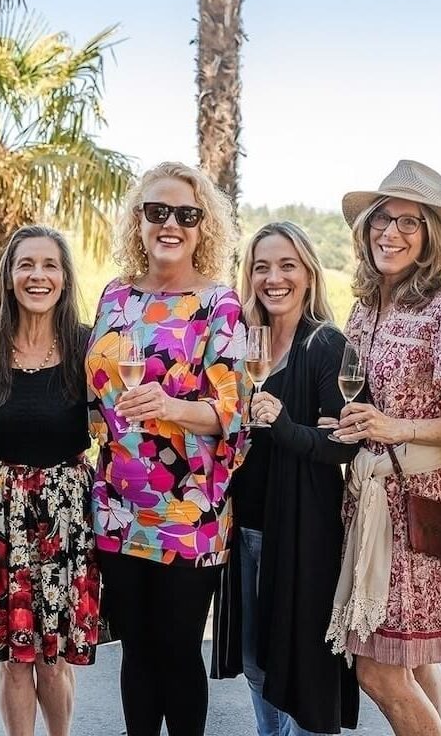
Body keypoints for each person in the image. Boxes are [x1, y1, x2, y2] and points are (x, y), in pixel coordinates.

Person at [85, 161, 249, 736]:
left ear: (203, 228)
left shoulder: (218, 305)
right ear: (139, 220)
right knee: (136, 652)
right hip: (116, 504)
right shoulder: (114, 296)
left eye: (186, 214)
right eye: (157, 211)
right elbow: (92, 391)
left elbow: (231, 411)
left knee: (178, 652)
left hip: (188, 510)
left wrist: (170, 408)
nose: (170, 224)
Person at [326, 159, 441, 736]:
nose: (391, 233)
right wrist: (356, 426)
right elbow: (373, 403)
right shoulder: (365, 307)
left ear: (430, 240)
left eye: (409, 223)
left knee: (379, 670)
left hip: (418, 500)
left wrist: (400, 429)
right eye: (381, 220)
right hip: (368, 494)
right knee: (410, 660)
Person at [211, 221, 361, 735]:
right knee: (256, 662)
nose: (273, 278)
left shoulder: (326, 345)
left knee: (303, 661)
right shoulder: (241, 345)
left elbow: (345, 441)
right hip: (246, 526)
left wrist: (285, 426)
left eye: (286, 265)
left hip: (304, 530)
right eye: (261, 267)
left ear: (308, 273)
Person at [0, 224, 99, 736]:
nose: (37, 275)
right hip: (4, 512)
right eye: (26, 265)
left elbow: (117, 421)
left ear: (64, 278)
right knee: (15, 658)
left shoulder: (89, 346)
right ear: (9, 276)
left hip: (67, 511)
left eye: (49, 265)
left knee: (53, 657)